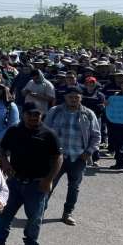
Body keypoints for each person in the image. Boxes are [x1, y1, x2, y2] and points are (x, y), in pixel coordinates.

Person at [0, 101, 63, 245]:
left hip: (37, 185)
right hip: (14, 183)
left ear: (41, 116)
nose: (33, 117)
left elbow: (58, 158)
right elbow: (2, 150)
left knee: (34, 219)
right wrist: (5, 163)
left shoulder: (49, 134)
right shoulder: (14, 131)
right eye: (30, 114)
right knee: (3, 215)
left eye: (37, 114)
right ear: (23, 114)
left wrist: (49, 180)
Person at [43, 86, 100, 226]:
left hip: (78, 157)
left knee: (74, 187)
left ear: (81, 98)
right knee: (48, 184)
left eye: (77, 97)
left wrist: (89, 152)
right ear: (65, 97)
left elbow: (96, 136)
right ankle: (39, 211)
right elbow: (44, 131)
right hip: (56, 157)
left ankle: (67, 213)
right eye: (71, 97)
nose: (73, 99)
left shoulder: (88, 114)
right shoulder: (54, 111)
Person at [107, 79, 123, 171]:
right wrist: (107, 104)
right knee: (118, 144)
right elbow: (110, 108)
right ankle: (119, 163)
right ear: (121, 86)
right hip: (118, 124)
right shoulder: (116, 96)